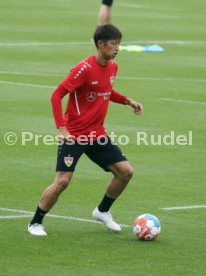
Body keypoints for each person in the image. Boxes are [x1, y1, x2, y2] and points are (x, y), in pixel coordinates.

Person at [28, 24, 143, 236]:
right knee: (62, 181)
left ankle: (102, 211)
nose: (117, 48)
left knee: (126, 172)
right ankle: (35, 222)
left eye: (119, 44)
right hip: (74, 135)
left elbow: (105, 90)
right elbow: (56, 95)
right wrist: (61, 128)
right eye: (114, 44)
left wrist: (128, 101)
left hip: (97, 134)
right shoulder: (83, 69)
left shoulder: (113, 67)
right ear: (101, 44)